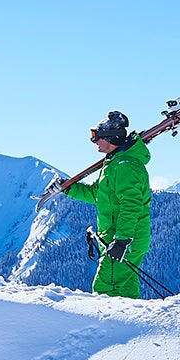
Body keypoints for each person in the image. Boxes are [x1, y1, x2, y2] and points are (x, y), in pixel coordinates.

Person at [63, 110, 153, 298]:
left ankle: (108, 327)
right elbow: (98, 194)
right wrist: (68, 188)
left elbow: (131, 205)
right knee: (124, 290)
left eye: (97, 137)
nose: (94, 141)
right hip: (118, 239)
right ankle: (132, 325)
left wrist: (122, 240)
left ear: (110, 138)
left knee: (105, 288)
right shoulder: (114, 164)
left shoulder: (125, 166)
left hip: (124, 241)